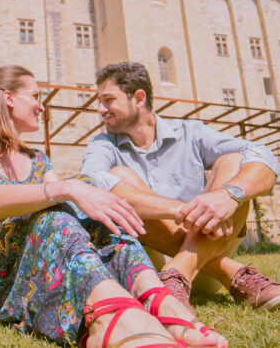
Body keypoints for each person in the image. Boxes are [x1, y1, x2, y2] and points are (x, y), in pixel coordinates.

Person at [0, 65, 228, 348]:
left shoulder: (38, 159)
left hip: (27, 273)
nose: (41, 107)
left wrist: (84, 194)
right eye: (35, 96)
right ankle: (110, 316)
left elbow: (73, 211)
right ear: (9, 98)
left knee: (90, 209)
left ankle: (155, 297)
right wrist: (68, 188)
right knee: (58, 206)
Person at [81, 61, 280, 313]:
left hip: (206, 253)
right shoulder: (103, 144)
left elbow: (262, 155)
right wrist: (192, 209)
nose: (100, 109)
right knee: (118, 176)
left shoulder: (191, 132)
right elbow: (90, 182)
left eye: (108, 100)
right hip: (151, 268)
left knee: (233, 161)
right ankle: (234, 274)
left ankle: (178, 272)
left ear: (138, 98)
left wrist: (230, 195)